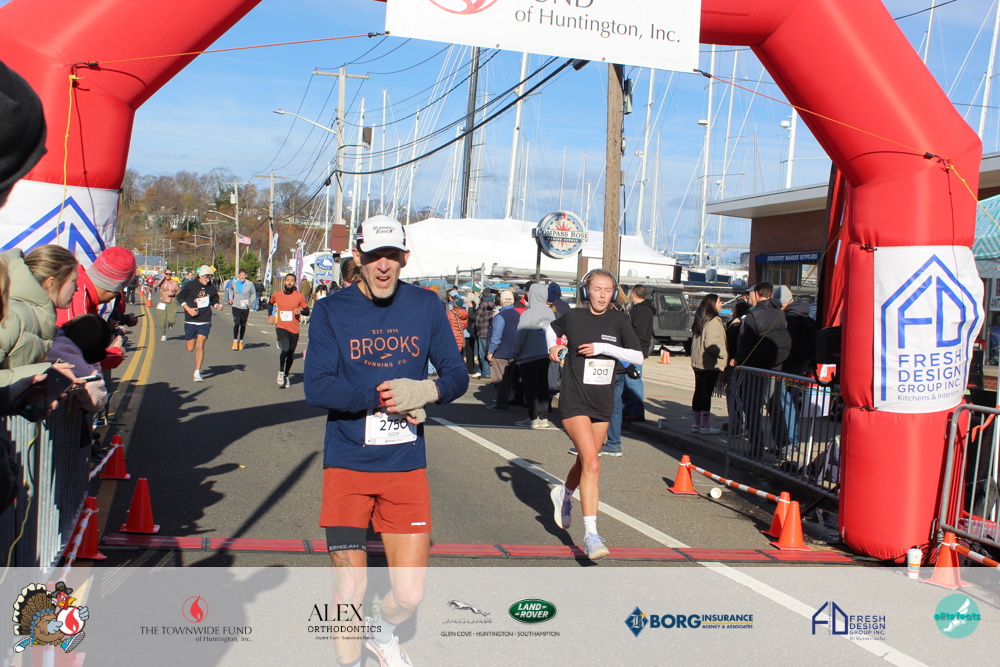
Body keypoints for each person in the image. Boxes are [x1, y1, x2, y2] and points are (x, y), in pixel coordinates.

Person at [304, 215, 468, 667]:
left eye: (391, 256)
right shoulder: (331, 310)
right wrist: (382, 397)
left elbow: (457, 375)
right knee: (349, 586)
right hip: (347, 464)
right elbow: (316, 386)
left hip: (404, 467)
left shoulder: (426, 305)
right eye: (374, 256)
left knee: (410, 594)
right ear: (358, 257)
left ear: (405, 259)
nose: (382, 266)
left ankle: (382, 631)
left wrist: (427, 390)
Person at [547, 270, 642, 560]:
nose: (602, 295)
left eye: (607, 290)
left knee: (585, 461)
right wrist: (553, 345)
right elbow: (550, 329)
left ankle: (563, 494)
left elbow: (637, 356)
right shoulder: (574, 316)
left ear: (614, 292)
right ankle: (591, 535)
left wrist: (604, 348)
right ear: (587, 290)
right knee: (592, 462)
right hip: (575, 399)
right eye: (597, 289)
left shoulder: (619, 320)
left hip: (602, 402)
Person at [513, 283, 556, 429]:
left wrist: (516, 351)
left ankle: (533, 418)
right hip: (546, 354)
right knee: (543, 385)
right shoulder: (550, 312)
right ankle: (543, 417)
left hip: (529, 355)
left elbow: (520, 334)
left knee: (530, 387)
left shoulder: (528, 313)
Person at [690, 293, 728, 434]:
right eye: (719, 301)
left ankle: (696, 423)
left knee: (699, 392)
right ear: (712, 304)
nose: (721, 304)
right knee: (705, 393)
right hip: (708, 363)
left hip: (698, 362)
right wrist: (724, 355)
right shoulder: (713, 321)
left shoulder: (700, 319)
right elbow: (712, 344)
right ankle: (704, 426)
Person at [177, 265, 222, 382]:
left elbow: (214, 301)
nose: (208, 279)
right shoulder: (190, 285)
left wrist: (217, 305)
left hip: (205, 319)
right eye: (206, 277)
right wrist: (188, 309)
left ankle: (197, 372)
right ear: (200, 276)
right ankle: (196, 368)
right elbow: (180, 297)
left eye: (210, 277)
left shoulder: (212, 288)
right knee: (190, 348)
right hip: (191, 319)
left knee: (200, 344)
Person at [621, 284, 655, 423]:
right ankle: (628, 407)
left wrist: (630, 343)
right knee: (626, 380)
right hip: (631, 349)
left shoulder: (642, 311)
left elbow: (639, 333)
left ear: (633, 294)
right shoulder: (637, 309)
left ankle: (637, 410)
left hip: (636, 349)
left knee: (633, 378)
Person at [269, 273, 309, 388]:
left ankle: (286, 375)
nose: (289, 282)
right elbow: (270, 304)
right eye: (287, 280)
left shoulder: (299, 296)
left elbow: (307, 311)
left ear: (295, 283)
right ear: (284, 282)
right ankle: (281, 371)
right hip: (281, 326)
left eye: (292, 280)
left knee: (290, 354)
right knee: (285, 349)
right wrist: (270, 315)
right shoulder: (277, 295)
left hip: (294, 329)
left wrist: (300, 311)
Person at [486, 290, 519, 411]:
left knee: (500, 379)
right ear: (513, 301)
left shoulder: (500, 316)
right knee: (508, 379)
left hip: (501, 352)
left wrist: (490, 351)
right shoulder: (519, 316)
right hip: (514, 352)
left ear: (501, 301)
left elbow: (496, 337)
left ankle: (501, 403)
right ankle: (504, 401)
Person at [226, 268, 256, 350]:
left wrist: (251, 301)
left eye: (244, 275)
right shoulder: (234, 283)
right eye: (241, 275)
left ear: (246, 275)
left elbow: (254, 293)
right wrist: (230, 298)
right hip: (236, 306)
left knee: (243, 324)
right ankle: (235, 341)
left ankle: (241, 341)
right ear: (238, 275)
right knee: (237, 323)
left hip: (245, 306)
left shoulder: (250, 284)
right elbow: (230, 290)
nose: (242, 277)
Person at [473, 292, 495, 380]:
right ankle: (487, 371)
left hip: (482, 332)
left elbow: (478, 319)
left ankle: (486, 373)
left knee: (482, 353)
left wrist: (477, 329)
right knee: (489, 352)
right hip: (491, 332)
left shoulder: (483, 304)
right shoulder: (493, 304)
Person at [154, 269, 179, 341]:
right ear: (164, 274)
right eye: (166, 274)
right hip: (162, 302)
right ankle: (163, 334)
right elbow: (155, 286)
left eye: (169, 274)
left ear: (171, 275)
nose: (168, 275)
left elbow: (179, 291)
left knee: (172, 320)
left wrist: (174, 294)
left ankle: (170, 323)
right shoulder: (161, 282)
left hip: (171, 302)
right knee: (162, 320)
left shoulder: (174, 282)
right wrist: (162, 278)